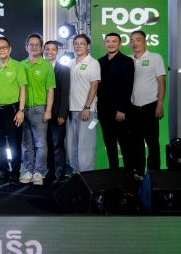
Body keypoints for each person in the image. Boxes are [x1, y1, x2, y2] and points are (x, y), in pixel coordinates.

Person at [0, 37, 27, 186]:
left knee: (14, 144)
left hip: (13, 110)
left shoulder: (18, 66)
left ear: (10, 49)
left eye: (4, 47)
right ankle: (3, 173)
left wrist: (21, 110)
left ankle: (15, 174)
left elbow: (23, 89)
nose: (1, 50)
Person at [20, 34, 55, 185]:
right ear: (26, 47)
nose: (34, 47)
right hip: (23, 110)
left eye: (37, 45)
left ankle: (39, 172)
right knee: (26, 144)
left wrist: (48, 110)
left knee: (41, 144)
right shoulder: (20, 65)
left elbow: (50, 90)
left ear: (41, 48)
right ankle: (27, 171)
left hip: (40, 110)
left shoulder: (46, 66)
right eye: (31, 44)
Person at [129, 30, 166, 175]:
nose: (135, 43)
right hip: (133, 108)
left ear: (145, 41)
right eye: (132, 40)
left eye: (138, 40)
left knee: (152, 143)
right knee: (136, 143)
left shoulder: (155, 58)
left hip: (150, 106)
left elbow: (161, 82)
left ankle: (153, 174)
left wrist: (160, 104)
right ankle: (139, 173)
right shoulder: (128, 60)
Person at [97, 32, 135, 170]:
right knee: (109, 144)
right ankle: (113, 173)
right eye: (108, 41)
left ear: (120, 44)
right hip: (103, 110)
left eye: (114, 41)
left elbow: (128, 86)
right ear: (104, 44)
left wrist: (122, 109)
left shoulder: (127, 61)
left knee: (125, 143)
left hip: (120, 111)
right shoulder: (100, 62)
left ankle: (128, 173)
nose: (111, 44)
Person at [66, 34, 101, 173]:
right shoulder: (70, 63)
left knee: (86, 147)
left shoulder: (93, 63)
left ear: (88, 46)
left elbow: (94, 86)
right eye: (76, 43)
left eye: (82, 43)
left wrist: (87, 107)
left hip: (87, 111)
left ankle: (87, 176)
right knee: (72, 146)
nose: (78, 46)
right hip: (71, 110)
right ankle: (76, 174)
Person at [43, 40, 71, 184]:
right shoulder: (40, 68)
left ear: (57, 52)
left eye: (53, 49)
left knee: (58, 145)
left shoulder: (64, 69)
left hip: (57, 114)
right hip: (42, 113)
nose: (50, 52)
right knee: (47, 144)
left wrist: (62, 114)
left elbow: (65, 93)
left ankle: (60, 174)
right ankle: (50, 171)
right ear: (43, 51)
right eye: (47, 49)